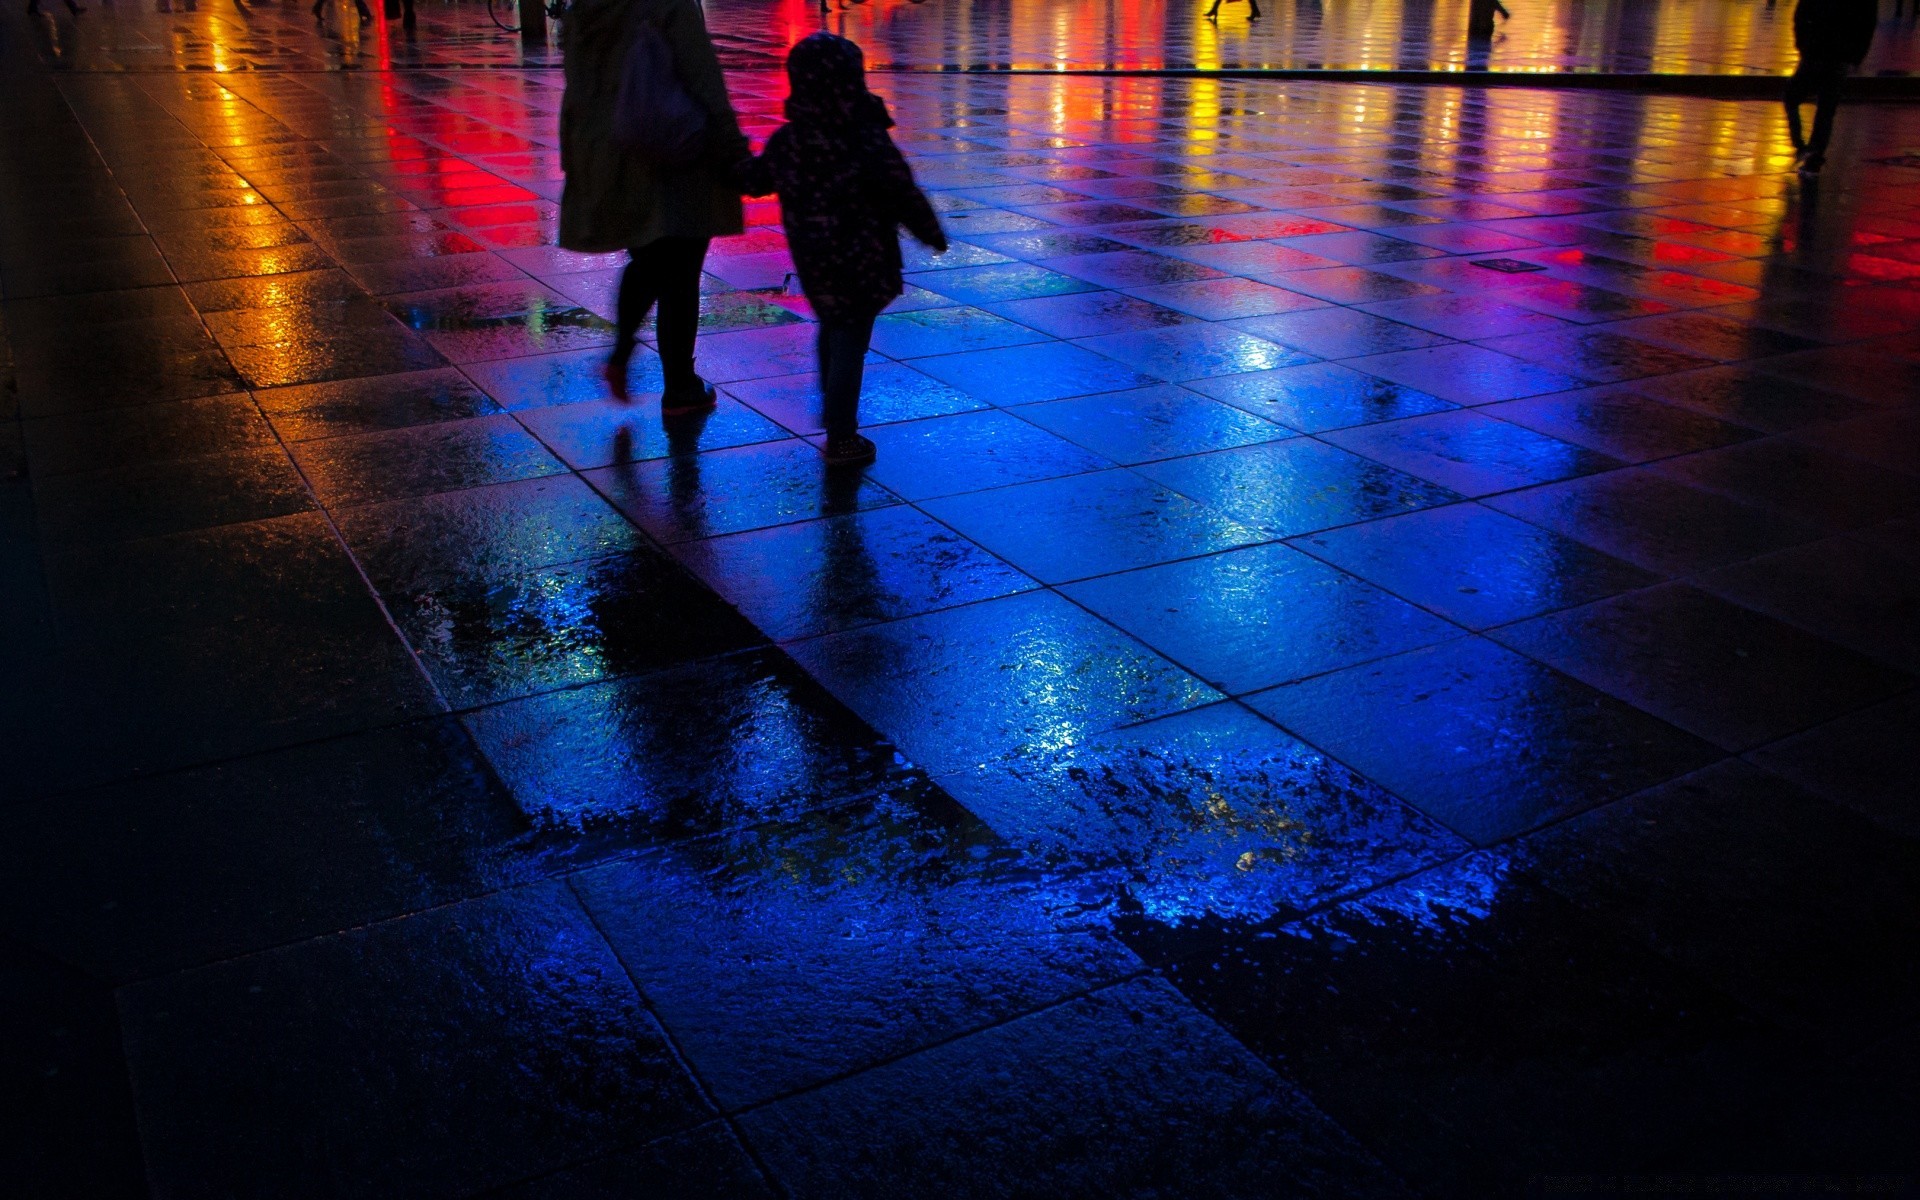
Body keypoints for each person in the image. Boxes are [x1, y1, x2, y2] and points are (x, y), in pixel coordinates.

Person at [738, 33, 945, 467]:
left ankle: (831, 401)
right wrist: (929, 231)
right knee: (851, 337)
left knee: (833, 325)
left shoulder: (789, 142)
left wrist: (734, 158)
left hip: (815, 261)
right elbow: (901, 188)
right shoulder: (866, 139)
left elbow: (754, 180)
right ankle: (842, 433)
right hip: (864, 260)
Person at [559, 0, 749, 411]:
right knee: (679, 268)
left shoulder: (584, 9)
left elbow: (577, 85)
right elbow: (701, 75)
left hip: (612, 152)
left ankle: (624, 351)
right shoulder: (669, 3)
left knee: (647, 255)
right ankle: (680, 385)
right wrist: (732, 145)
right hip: (669, 144)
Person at [1785, 0, 1879, 175]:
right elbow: (1868, 24)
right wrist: (1856, 56)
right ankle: (1813, 157)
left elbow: (1802, 12)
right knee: (1826, 110)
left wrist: (1803, 43)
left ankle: (1802, 147)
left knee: (1793, 98)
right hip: (1838, 55)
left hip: (1816, 51)